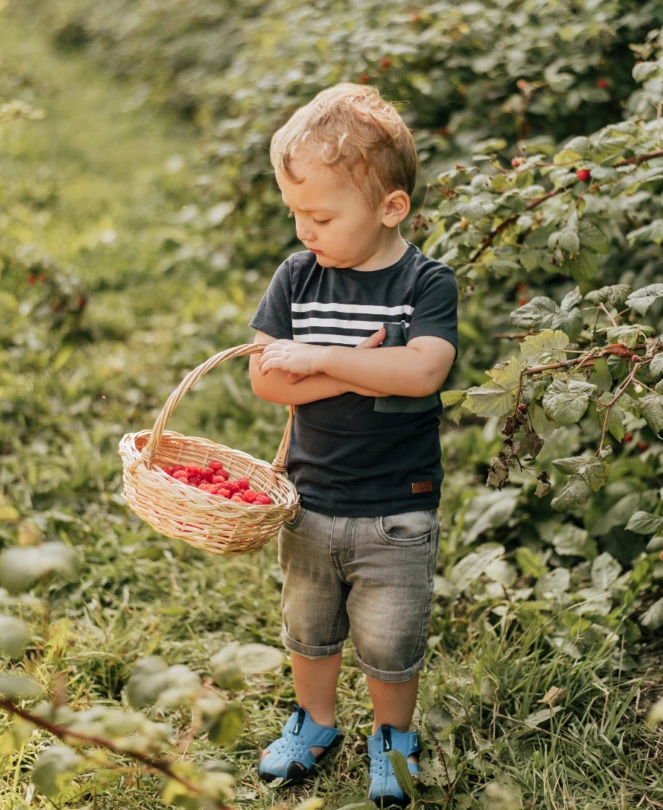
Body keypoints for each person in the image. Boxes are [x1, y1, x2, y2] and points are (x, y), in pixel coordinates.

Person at [247, 81, 459, 808]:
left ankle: (393, 738)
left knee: (390, 639)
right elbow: (266, 382)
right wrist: (351, 368)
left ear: (388, 207)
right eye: (294, 213)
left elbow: (423, 369)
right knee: (309, 627)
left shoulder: (424, 282)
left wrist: (320, 360)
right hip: (311, 494)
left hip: (397, 505)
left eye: (320, 215)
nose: (304, 229)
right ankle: (314, 722)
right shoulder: (297, 277)